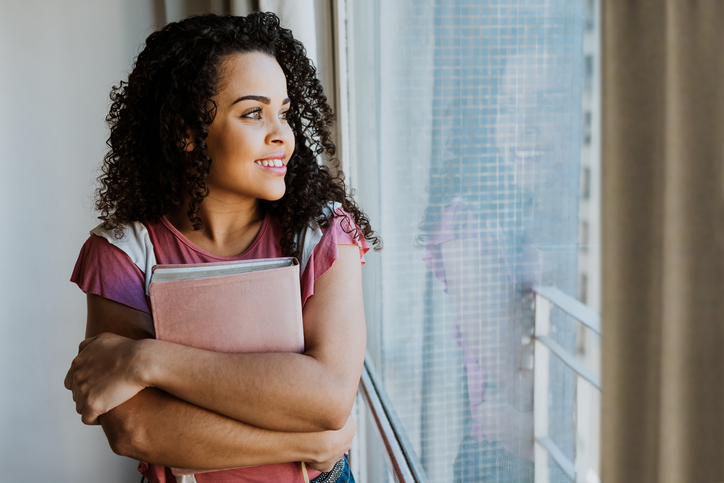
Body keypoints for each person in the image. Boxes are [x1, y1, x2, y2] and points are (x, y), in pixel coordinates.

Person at [63, 12, 380, 483]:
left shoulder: (324, 233)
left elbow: (329, 398)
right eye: (254, 112)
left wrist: (145, 360)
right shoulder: (124, 253)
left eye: (285, 112)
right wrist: (305, 441)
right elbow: (135, 430)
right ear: (186, 133)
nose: (282, 135)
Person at [423, 46, 581, 483]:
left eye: (545, 106)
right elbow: (516, 375)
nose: (521, 129)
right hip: (503, 467)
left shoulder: (575, 219)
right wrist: (529, 416)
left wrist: (527, 419)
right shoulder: (467, 225)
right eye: (508, 108)